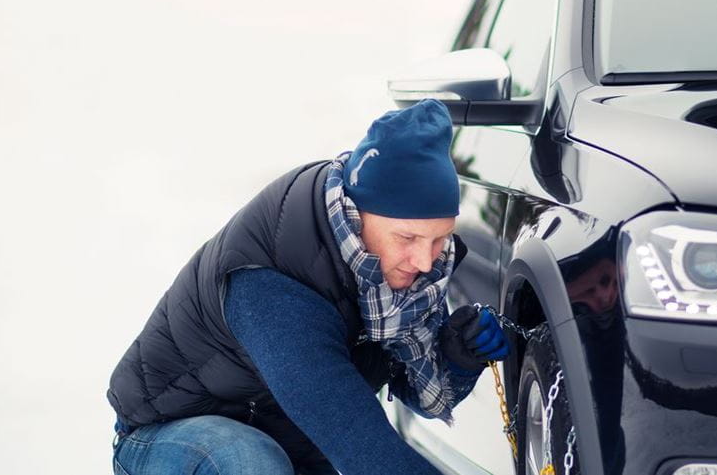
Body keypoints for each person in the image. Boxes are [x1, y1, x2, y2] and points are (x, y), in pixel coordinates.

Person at [107, 99, 510, 475]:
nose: (425, 261)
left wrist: (458, 357)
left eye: (439, 239)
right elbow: (358, 443)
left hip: (286, 446)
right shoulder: (272, 282)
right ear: (359, 211)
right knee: (247, 459)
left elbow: (418, 392)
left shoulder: (389, 269)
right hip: (166, 439)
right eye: (407, 239)